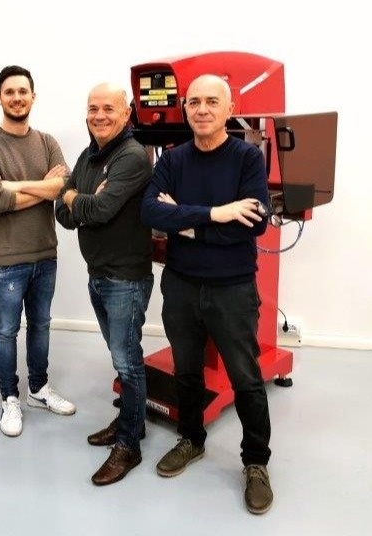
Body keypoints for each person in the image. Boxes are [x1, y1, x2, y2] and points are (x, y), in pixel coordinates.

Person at [140, 74, 274, 514]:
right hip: (181, 284)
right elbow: (150, 212)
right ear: (185, 108)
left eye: (212, 101)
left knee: (245, 378)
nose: (201, 109)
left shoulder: (247, 158)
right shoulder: (173, 159)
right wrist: (217, 214)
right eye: (194, 101)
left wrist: (186, 223)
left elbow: (253, 223)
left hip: (232, 288)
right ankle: (191, 438)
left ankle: (256, 462)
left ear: (230, 108)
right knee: (186, 371)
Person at [55, 83, 154, 486]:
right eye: (93, 108)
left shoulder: (132, 156)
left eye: (109, 108)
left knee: (128, 361)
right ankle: (133, 421)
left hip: (125, 278)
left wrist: (74, 197)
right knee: (120, 358)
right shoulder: (89, 154)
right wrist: (76, 198)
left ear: (126, 113)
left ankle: (129, 444)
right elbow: (64, 213)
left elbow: (99, 208)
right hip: (99, 273)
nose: (99, 115)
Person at [0, 65, 75, 438]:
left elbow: (63, 186)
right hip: (6, 260)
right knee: (6, 330)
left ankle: (38, 388)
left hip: (45, 253)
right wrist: (41, 187)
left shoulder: (46, 142)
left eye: (23, 91)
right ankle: (9, 397)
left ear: (33, 96)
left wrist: (17, 186)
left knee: (41, 325)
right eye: (10, 92)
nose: (17, 98)